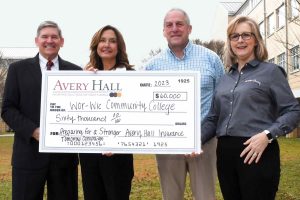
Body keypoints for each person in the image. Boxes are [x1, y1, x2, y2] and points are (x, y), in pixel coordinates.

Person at [202, 16, 300, 200]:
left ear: (256, 40)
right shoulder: (224, 79)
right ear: (229, 42)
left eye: (246, 35)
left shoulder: (271, 72)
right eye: (235, 36)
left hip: (258, 151)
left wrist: (268, 135)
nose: (240, 40)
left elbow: (293, 111)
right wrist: (192, 140)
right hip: (225, 154)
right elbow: (213, 118)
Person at [144, 8, 225, 200]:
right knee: (171, 196)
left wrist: (206, 133)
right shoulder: (152, 66)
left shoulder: (211, 59)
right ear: (163, 31)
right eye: (169, 25)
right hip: (168, 143)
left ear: (189, 28)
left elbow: (222, 99)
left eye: (179, 24)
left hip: (204, 141)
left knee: (206, 196)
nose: (174, 29)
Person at [1, 21, 81, 200]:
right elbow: (7, 109)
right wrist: (34, 131)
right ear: (37, 40)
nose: (49, 40)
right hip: (27, 155)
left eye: (54, 37)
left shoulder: (76, 71)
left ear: (62, 41)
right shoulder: (17, 70)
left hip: (64, 161)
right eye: (45, 37)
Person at [79, 25, 134, 200]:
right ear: (96, 45)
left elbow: (137, 115)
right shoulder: (86, 75)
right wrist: (82, 83)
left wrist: (118, 141)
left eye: (112, 41)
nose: (107, 45)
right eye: (102, 40)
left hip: (119, 156)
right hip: (90, 154)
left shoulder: (132, 76)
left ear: (119, 47)